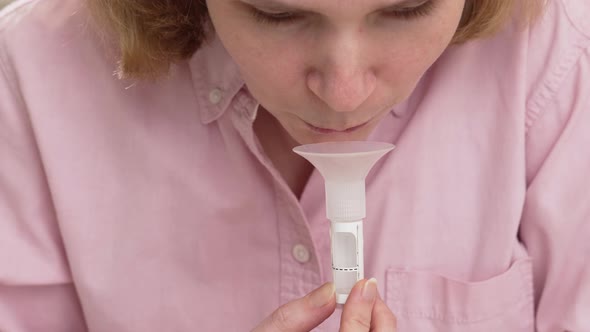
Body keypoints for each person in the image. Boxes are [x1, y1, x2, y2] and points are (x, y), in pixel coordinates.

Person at [0, 0, 588, 330]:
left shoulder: (553, 52)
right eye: (276, 14)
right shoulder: (35, 72)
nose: (344, 91)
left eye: (409, 8)